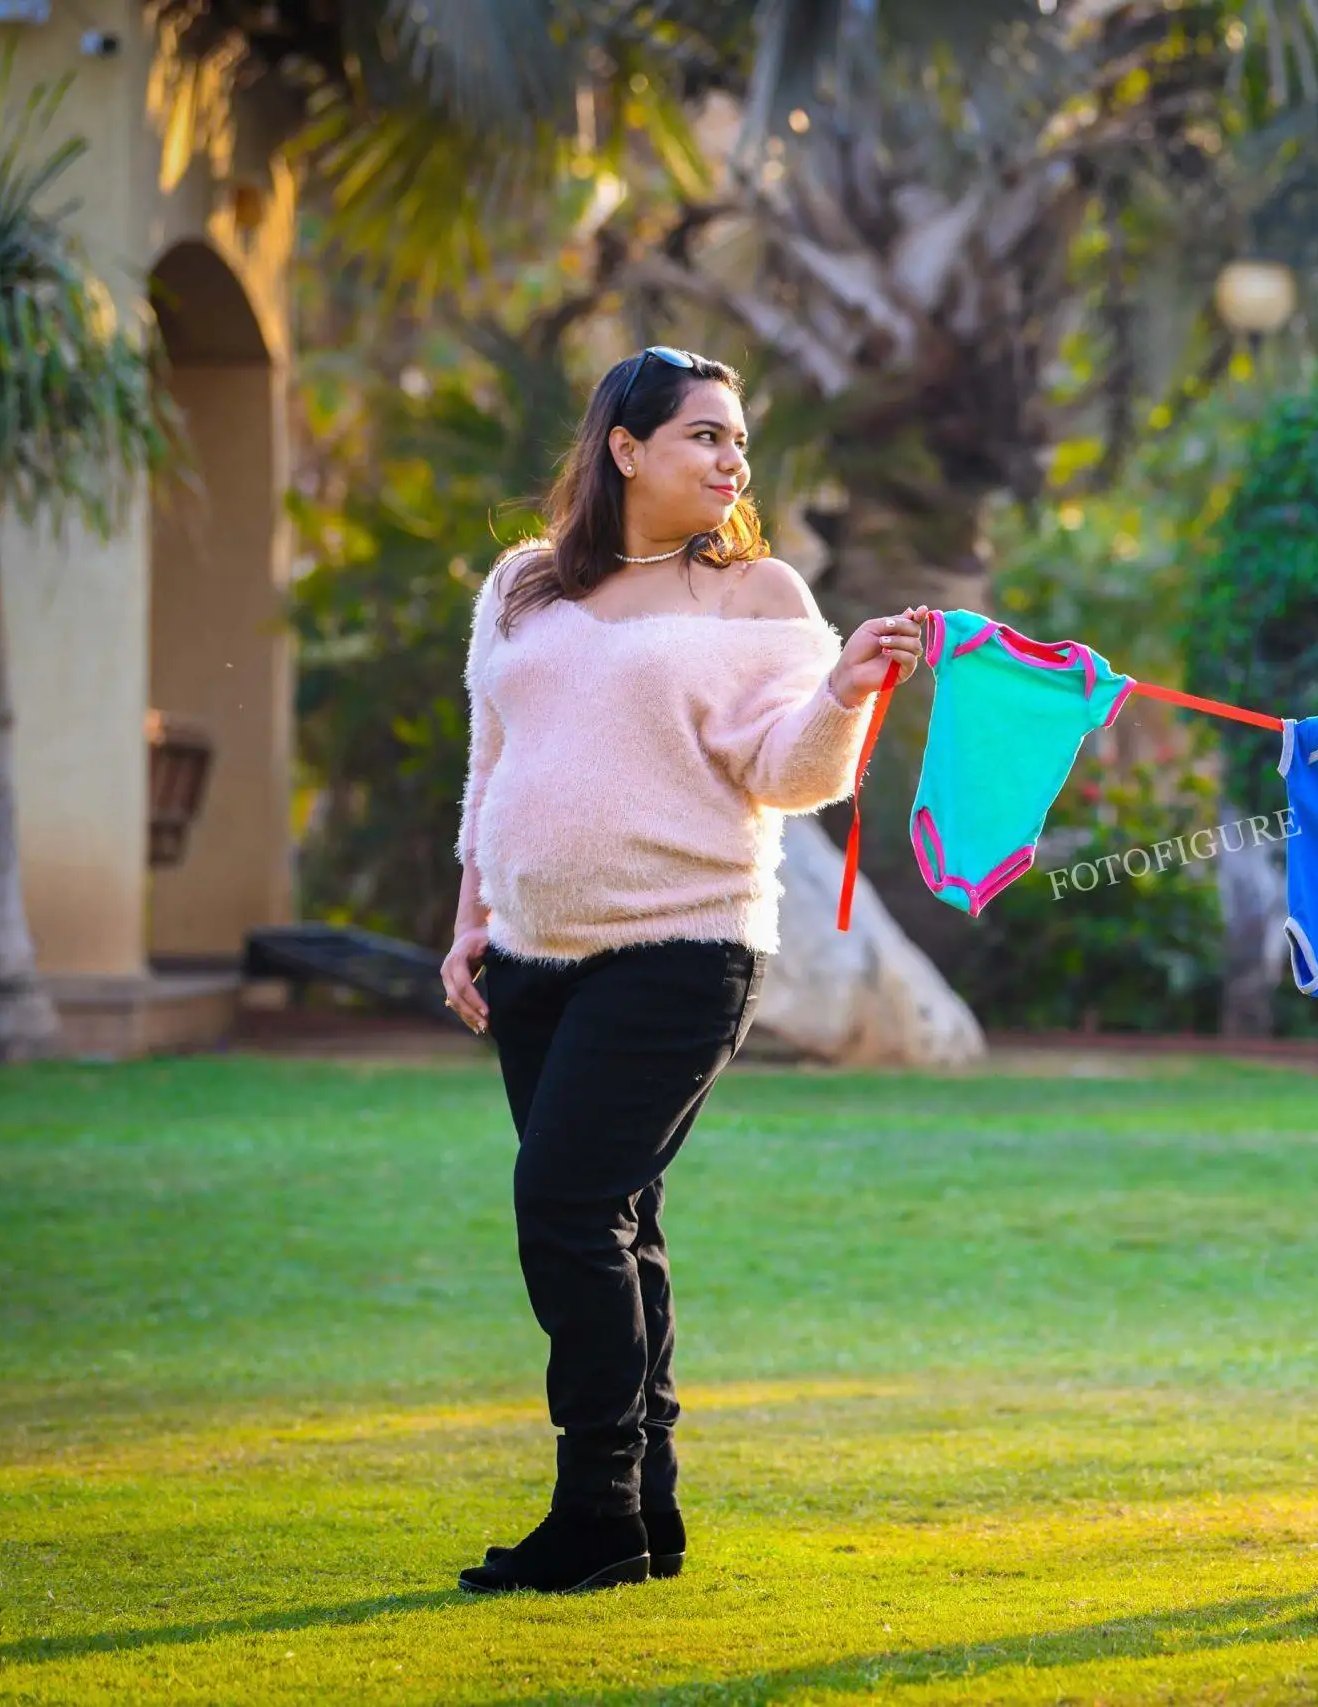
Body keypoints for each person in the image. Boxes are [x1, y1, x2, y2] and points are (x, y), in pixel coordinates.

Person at [437, 345, 924, 1593]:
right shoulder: (522, 587)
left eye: (736, 438)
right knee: (617, 1222)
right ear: (624, 447)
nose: (731, 460)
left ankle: (592, 1508)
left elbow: (794, 775)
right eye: (704, 435)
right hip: (536, 958)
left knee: (561, 1207)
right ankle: (644, 1512)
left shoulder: (758, 595)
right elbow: (493, 764)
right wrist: (469, 918)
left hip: (684, 947)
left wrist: (850, 687)